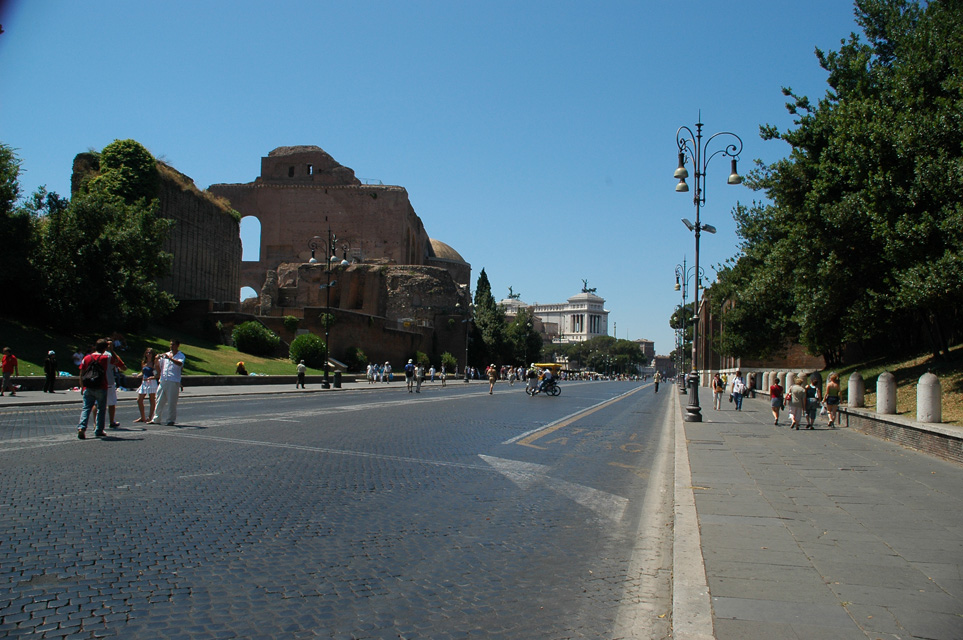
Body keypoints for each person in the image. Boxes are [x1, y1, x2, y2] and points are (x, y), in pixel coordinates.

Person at [77, 339, 111, 438]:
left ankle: (82, 428)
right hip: (101, 386)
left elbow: (81, 373)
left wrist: (82, 386)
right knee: (101, 409)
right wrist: (111, 349)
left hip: (88, 386)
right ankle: (99, 430)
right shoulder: (106, 358)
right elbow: (117, 361)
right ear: (105, 348)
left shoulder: (87, 358)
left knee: (86, 408)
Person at [151, 339, 186, 426]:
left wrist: (170, 359)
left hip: (173, 381)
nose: (171, 346)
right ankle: (156, 419)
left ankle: (170, 419)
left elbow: (180, 364)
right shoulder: (165, 355)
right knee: (159, 400)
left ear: (178, 345)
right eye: (171, 344)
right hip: (163, 380)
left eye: (173, 345)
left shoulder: (180, 355)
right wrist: (156, 360)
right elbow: (159, 367)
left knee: (172, 402)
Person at [103, 341, 127, 428]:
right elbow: (123, 367)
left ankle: (97, 423)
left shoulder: (95, 355)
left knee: (99, 403)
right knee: (111, 402)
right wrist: (112, 351)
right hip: (108, 381)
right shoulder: (111, 356)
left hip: (99, 382)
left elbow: (123, 367)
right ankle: (111, 421)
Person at [134, 348, 159, 423]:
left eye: (150, 353)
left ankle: (150, 417)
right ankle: (142, 417)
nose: (148, 354)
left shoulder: (154, 363)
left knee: (152, 399)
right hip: (144, 382)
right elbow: (143, 372)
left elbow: (157, 374)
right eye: (147, 353)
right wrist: (138, 376)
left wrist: (152, 377)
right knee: (139, 400)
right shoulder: (144, 362)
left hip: (151, 382)